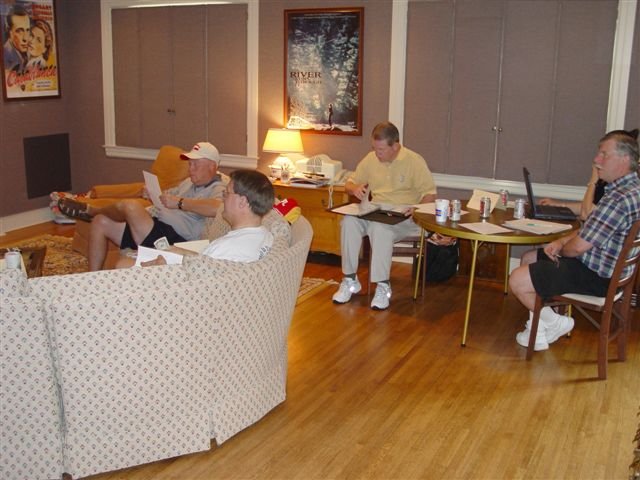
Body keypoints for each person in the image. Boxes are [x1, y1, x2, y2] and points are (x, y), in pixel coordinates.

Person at [509, 129, 640, 351]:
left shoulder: (619, 198)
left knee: (517, 280)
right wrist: (560, 242)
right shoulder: (628, 189)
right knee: (530, 258)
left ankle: (556, 322)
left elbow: (578, 248)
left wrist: (561, 250)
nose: (596, 160)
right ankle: (537, 332)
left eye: (604, 154)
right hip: (607, 270)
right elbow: (590, 228)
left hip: (598, 277)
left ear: (624, 159)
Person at [59, 142, 228, 271]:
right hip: (156, 227)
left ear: (212, 166)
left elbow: (217, 207)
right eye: (190, 164)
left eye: (196, 164)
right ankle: (92, 278)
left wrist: (179, 203)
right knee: (100, 222)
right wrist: (153, 194)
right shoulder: (188, 183)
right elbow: (167, 195)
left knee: (131, 206)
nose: (191, 169)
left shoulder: (219, 187)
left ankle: (91, 210)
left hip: (175, 238)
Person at [332, 121, 437, 310]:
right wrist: (354, 188)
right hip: (375, 209)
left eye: (381, 149)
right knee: (349, 222)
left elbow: (430, 193)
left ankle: (383, 285)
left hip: (404, 215)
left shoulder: (414, 161)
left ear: (395, 146)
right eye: (374, 148)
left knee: (379, 228)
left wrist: (417, 208)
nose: (376, 153)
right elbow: (349, 183)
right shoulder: (371, 159)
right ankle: (349, 279)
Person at [137, 169, 275, 267]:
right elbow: (205, 262)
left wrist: (163, 266)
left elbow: (200, 270)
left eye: (226, 193)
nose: (223, 198)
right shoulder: (267, 236)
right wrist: (181, 252)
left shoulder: (226, 247)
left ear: (242, 202)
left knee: (128, 263)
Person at [3, 5, 30, 73]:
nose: (25, 38)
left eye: (27, 30)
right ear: (9, 32)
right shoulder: (5, 58)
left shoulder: (28, 54)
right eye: (19, 31)